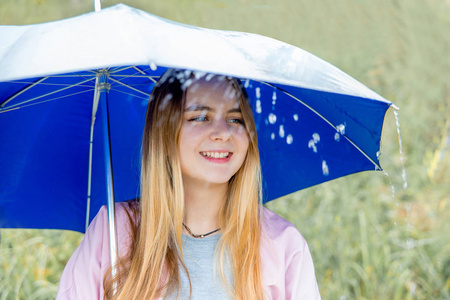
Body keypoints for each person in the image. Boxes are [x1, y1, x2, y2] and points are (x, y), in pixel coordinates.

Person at [56, 69, 321, 299]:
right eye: (200, 117)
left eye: (235, 119)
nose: (222, 133)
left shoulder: (283, 244)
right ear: (165, 133)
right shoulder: (113, 232)